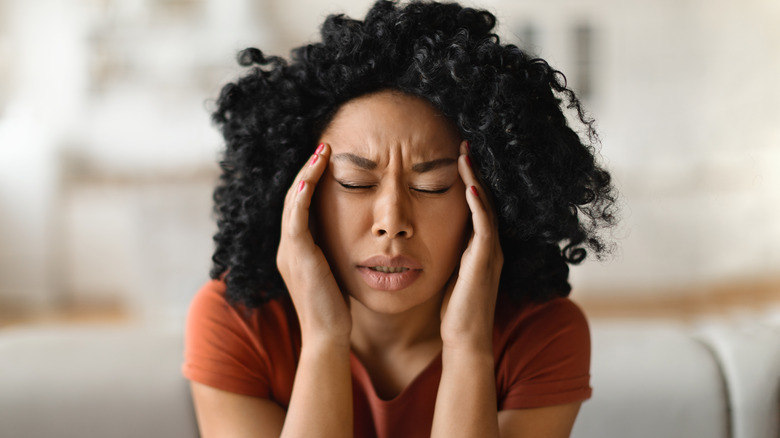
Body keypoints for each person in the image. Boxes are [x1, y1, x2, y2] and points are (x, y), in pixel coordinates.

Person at [182, 1, 617, 437]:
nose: (392, 222)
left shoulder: (541, 334)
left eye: (432, 186)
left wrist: (468, 350)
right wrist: (323, 342)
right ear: (302, 194)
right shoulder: (237, 321)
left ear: (492, 199)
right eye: (354, 183)